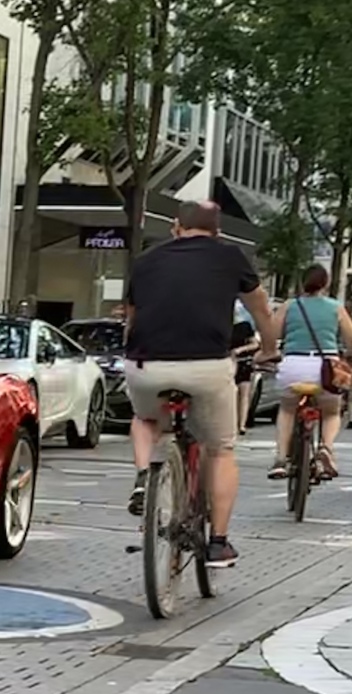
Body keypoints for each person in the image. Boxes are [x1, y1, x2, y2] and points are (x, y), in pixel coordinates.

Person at [123, 200, 276, 568]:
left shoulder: (146, 261)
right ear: (217, 230)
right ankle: (219, 543)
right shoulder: (230, 256)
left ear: (176, 227)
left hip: (147, 364)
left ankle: (145, 475)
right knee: (220, 449)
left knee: (145, 420)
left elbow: (131, 319)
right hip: (207, 366)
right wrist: (268, 350)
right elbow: (260, 310)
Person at [266, 265, 352, 481]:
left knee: (287, 409)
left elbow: (272, 335)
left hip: (293, 364)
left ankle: (280, 459)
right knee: (332, 411)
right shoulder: (336, 307)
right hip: (326, 368)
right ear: (325, 284)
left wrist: (266, 354)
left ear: (302, 283)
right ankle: (326, 447)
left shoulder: (289, 306)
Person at [230, 300, 259, 436]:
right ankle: (233, 423)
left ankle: (242, 424)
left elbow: (255, 344)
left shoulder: (245, 326)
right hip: (228, 363)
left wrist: (240, 350)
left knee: (244, 394)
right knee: (232, 393)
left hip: (244, 361)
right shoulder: (223, 327)